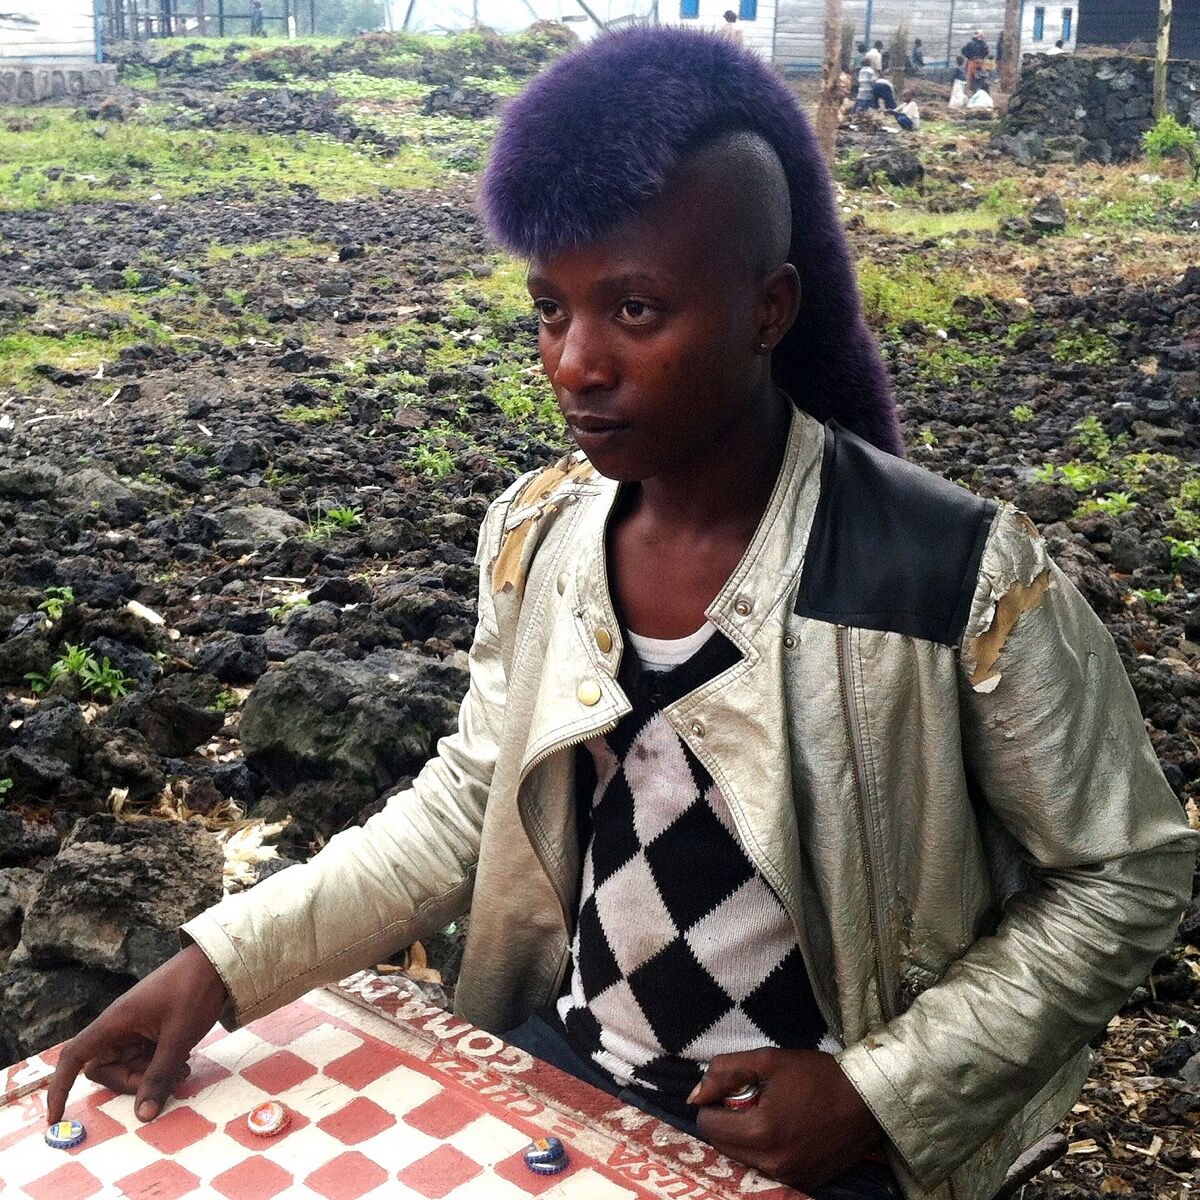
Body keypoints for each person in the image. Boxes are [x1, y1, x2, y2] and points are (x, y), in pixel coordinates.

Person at [47, 26, 1197, 1200]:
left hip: (827, 1149)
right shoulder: (541, 538)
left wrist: (880, 1091)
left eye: (636, 310)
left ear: (769, 307)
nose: (574, 363)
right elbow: (466, 805)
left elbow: (1126, 873)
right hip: (565, 1088)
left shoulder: (948, 576)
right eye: (552, 309)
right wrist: (223, 959)